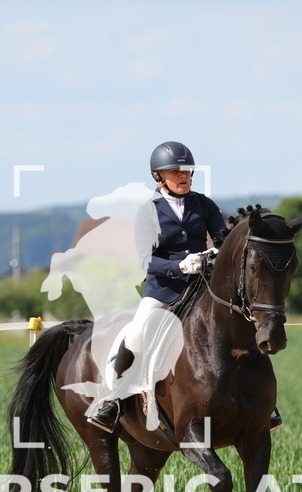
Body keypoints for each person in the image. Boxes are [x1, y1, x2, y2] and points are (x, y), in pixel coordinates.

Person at [87, 141, 225, 433]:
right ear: (158, 176)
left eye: (187, 170)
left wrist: (216, 255)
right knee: (136, 334)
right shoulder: (147, 211)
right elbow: (146, 260)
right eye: (175, 171)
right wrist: (180, 266)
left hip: (203, 286)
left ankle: (262, 403)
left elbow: (222, 240)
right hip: (163, 290)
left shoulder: (204, 204)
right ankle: (114, 400)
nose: (183, 176)